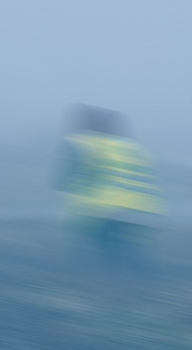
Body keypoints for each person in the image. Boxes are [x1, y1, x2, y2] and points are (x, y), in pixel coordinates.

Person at [53, 107, 160, 267]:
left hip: (104, 210)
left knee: (103, 259)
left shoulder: (82, 143)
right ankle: (141, 284)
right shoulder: (134, 148)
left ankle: (99, 282)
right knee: (133, 259)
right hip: (146, 209)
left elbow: (62, 179)